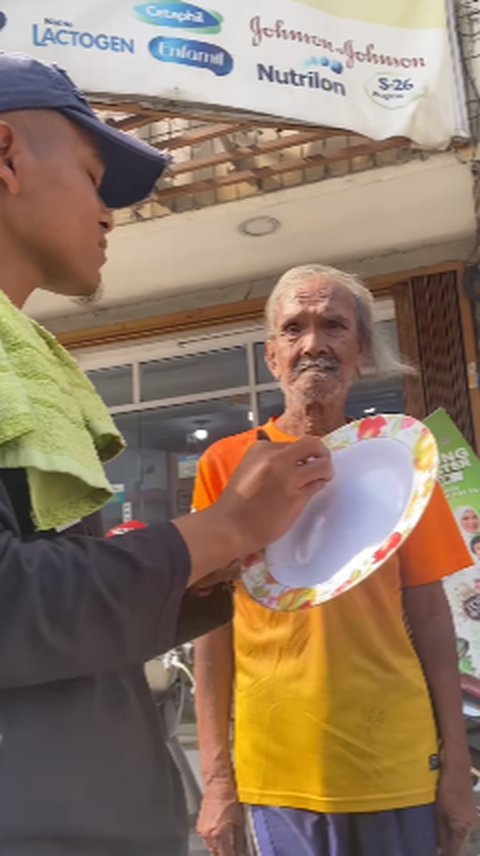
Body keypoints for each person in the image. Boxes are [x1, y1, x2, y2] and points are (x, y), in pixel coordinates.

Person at [0, 54, 334, 856]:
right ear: (6, 156)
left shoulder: (27, 361)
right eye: (91, 174)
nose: (111, 214)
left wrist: (205, 569)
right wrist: (215, 531)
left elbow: (47, 602)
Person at [193, 264, 476, 856]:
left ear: (362, 352)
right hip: (280, 769)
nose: (313, 344)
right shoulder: (228, 466)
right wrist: (218, 780)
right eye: (293, 329)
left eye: (333, 326)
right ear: (272, 357)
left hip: (396, 763)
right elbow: (212, 627)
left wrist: (456, 766)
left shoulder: (400, 463)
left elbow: (429, 615)